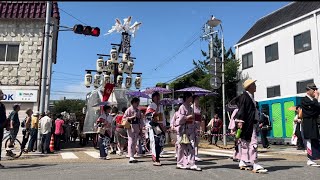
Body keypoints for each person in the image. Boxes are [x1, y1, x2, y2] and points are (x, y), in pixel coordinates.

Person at [235, 79, 267, 173]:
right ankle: (255, 163)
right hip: (248, 123)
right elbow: (242, 109)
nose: (255, 86)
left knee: (245, 143)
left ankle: (243, 161)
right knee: (253, 143)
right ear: (249, 86)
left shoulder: (248, 96)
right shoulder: (245, 97)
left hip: (248, 123)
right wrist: (240, 121)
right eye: (254, 84)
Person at [175, 92, 202, 171]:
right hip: (183, 130)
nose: (191, 99)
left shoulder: (190, 107)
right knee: (182, 147)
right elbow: (180, 119)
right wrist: (189, 116)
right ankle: (180, 163)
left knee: (191, 147)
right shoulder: (182, 107)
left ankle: (192, 163)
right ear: (187, 98)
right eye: (190, 97)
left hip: (190, 130)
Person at [300, 83, 320, 167]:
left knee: (315, 140)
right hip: (308, 123)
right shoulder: (304, 100)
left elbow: (317, 109)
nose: (315, 91)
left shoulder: (312, 101)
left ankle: (314, 157)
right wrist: (316, 99)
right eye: (313, 90)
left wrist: (315, 104)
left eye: (316, 89)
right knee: (309, 140)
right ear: (308, 90)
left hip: (314, 122)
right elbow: (311, 111)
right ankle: (309, 158)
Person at [146, 92, 166, 166]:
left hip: (161, 125)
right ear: (153, 97)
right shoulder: (151, 106)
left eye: (159, 96)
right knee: (156, 141)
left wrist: (164, 125)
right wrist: (156, 109)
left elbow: (163, 117)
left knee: (162, 141)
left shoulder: (161, 106)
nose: (158, 98)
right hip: (155, 126)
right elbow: (149, 116)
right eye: (156, 96)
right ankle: (156, 158)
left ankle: (157, 155)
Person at [123, 97, 143, 163]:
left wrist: (141, 128)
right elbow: (124, 118)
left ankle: (132, 155)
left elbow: (141, 120)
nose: (137, 104)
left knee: (135, 141)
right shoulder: (129, 110)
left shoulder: (138, 110)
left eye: (138, 103)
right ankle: (131, 155)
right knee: (131, 141)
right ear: (133, 102)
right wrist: (132, 117)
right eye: (136, 103)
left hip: (137, 126)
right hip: (131, 126)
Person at [191, 95, 203, 162]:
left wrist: (201, 127)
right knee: (192, 140)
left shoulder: (199, 108)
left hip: (197, 126)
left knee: (197, 141)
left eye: (198, 99)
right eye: (197, 99)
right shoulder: (191, 107)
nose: (198, 100)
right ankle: (192, 154)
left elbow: (200, 119)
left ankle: (196, 154)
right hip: (192, 126)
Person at [0, 89, 7, 168]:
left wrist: (6, 124)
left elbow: (4, 116)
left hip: (1, 127)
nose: (3, 95)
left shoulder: (2, 105)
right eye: (1, 93)